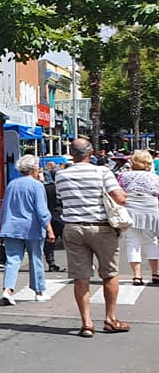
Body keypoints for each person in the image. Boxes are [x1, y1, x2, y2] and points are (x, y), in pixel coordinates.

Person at [56, 138, 129, 337]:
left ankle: (86, 323)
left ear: (72, 153)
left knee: (81, 276)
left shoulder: (61, 175)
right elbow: (119, 198)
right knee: (110, 273)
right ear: (91, 153)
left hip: (73, 228)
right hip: (101, 227)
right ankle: (110, 318)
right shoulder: (102, 172)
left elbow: (62, 199)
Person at [0, 156, 55, 305]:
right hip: (32, 228)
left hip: (11, 226)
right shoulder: (37, 186)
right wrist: (49, 229)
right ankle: (39, 291)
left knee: (12, 259)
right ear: (34, 169)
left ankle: (8, 289)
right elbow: (42, 210)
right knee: (35, 258)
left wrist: (2, 224)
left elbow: (5, 208)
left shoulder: (11, 184)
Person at [118, 150, 159, 286]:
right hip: (150, 211)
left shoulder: (124, 176)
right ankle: (155, 273)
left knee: (132, 242)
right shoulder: (154, 177)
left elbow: (120, 192)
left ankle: (137, 275)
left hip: (130, 211)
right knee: (151, 241)